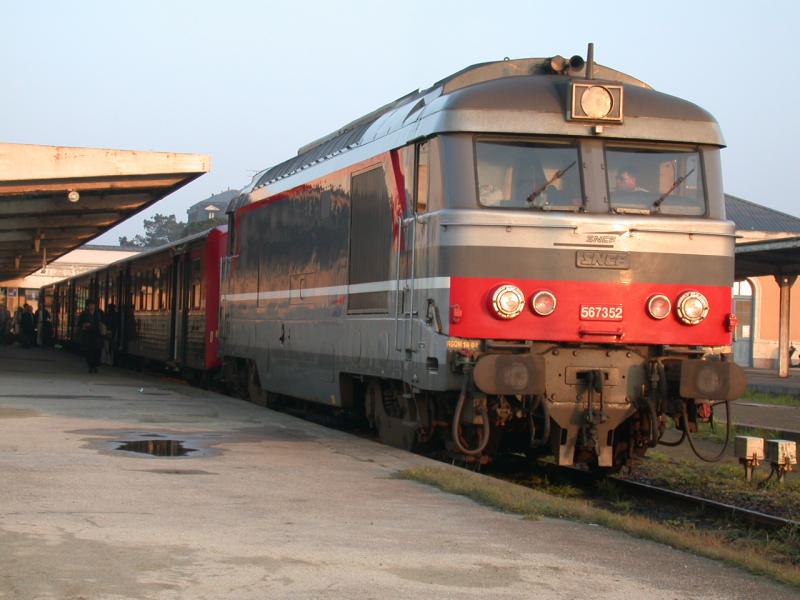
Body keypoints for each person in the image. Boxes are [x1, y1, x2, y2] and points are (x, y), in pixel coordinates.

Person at [77, 299, 105, 373]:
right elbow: (79, 323)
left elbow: (104, 321)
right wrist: (84, 324)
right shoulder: (84, 314)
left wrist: (104, 328)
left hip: (97, 335)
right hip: (87, 335)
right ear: (87, 306)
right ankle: (91, 366)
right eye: (90, 305)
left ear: (95, 305)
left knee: (97, 351)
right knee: (89, 352)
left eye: (92, 305)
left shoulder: (99, 313)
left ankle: (95, 365)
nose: (91, 306)